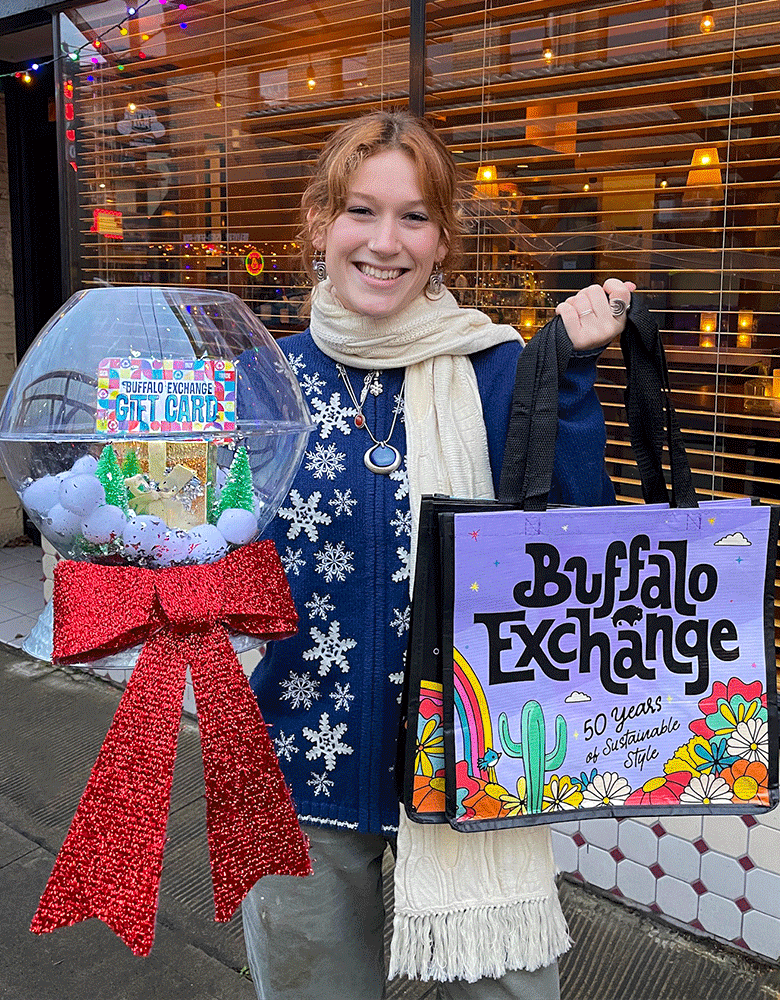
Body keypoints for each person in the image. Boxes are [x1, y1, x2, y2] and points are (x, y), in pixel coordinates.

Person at [241, 110, 634, 1000]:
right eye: (360, 211)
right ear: (319, 224)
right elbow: (225, 565)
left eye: (414, 216)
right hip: (298, 765)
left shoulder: (501, 371)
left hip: (474, 767)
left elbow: (577, 548)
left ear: (444, 237)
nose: (386, 242)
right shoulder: (266, 381)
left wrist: (566, 381)